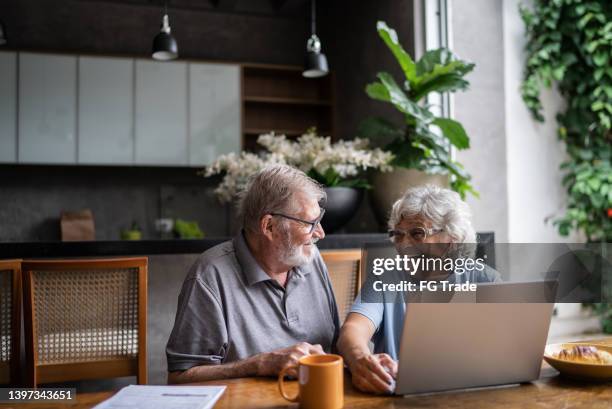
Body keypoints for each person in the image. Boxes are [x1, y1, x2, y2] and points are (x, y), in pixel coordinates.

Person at [166, 164, 340, 383]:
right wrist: (259, 364)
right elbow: (179, 378)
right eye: (310, 223)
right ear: (269, 226)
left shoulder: (312, 259)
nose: (320, 233)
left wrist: (362, 357)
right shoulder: (210, 275)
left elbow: (335, 346)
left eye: (319, 219)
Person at [337, 184, 500, 394]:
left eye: (417, 233)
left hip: (470, 392)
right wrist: (360, 359)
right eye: (398, 234)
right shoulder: (385, 278)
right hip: (400, 394)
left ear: (452, 238)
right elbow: (353, 330)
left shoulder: (485, 279)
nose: (403, 245)